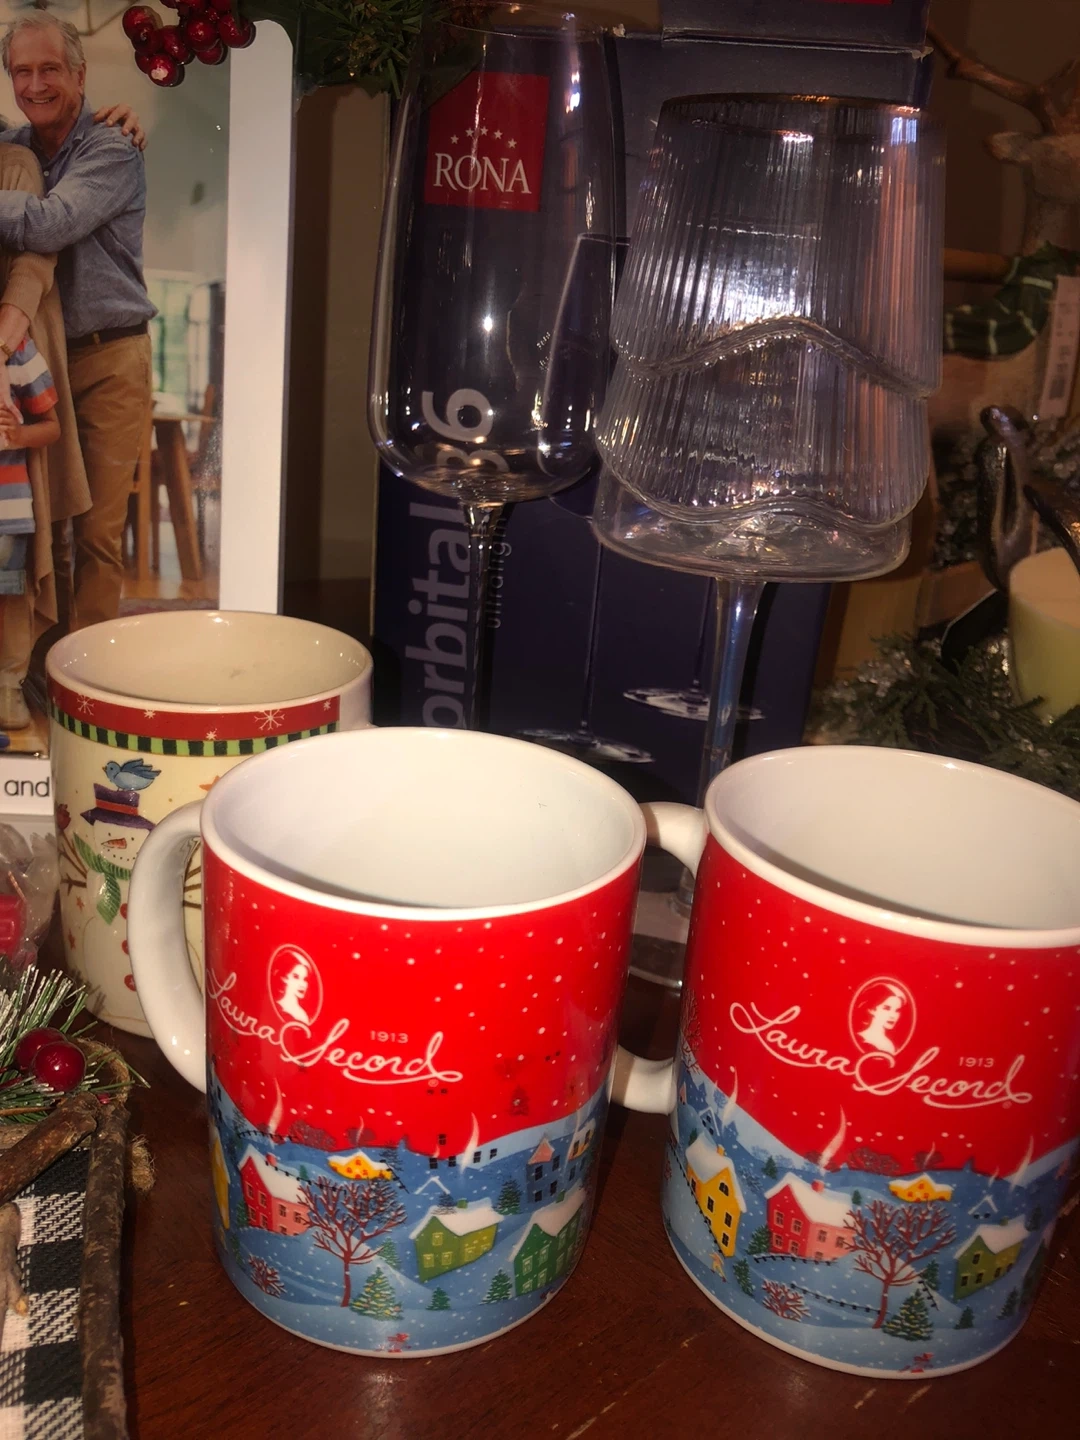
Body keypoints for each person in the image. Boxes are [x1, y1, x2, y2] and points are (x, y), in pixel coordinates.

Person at [0, 11, 154, 631]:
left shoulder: (111, 146)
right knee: (49, 526)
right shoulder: (16, 146)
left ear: (80, 75)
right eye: (22, 72)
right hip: (45, 359)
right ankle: (44, 663)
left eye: (50, 69)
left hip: (111, 357)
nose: (36, 84)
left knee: (96, 535)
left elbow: (50, 225)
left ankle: (85, 671)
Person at [0, 331, 59, 726]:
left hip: (7, 511)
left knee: (10, 600)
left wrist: (19, 434)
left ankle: (7, 686)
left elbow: (52, 427)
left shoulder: (16, 348)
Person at [856, 982, 907, 1055]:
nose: (893, 1015)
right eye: (886, 1008)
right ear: (872, 1009)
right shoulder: (860, 1040)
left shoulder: (892, 1044)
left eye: (897, 1010)